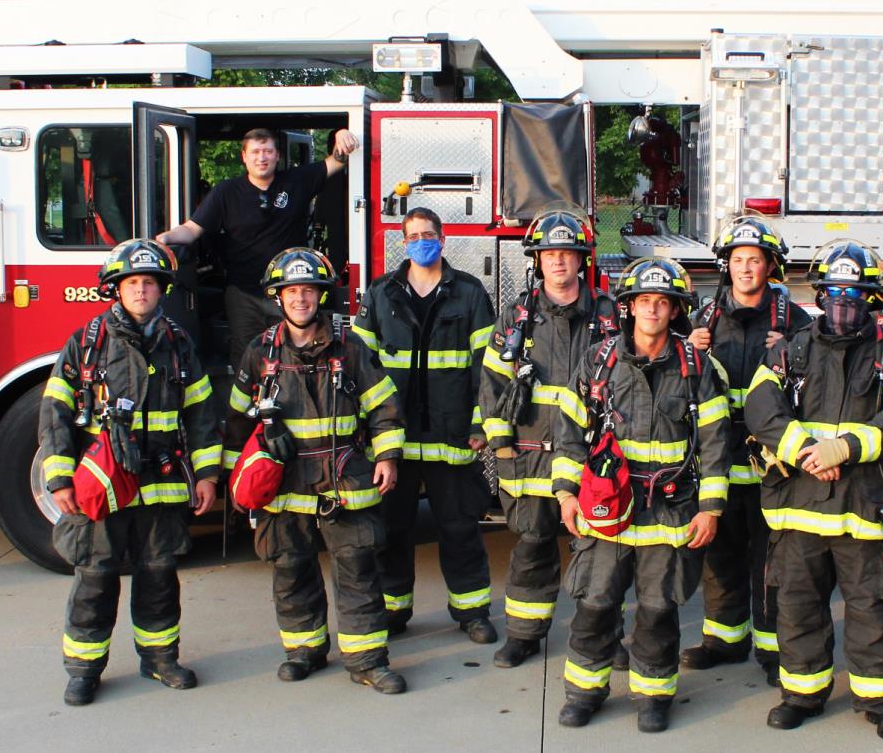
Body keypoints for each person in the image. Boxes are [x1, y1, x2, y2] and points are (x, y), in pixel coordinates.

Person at [744, 241, 883, 742]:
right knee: (798, 606)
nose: (845, 303)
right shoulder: (788, 351)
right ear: (819, 295)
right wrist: (808, 450)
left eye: (857, 294)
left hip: (866, 508)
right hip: (799, 509)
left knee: (873, 608)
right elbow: (762, 410)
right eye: (836, 293)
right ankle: (801, 694)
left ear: (873, 299)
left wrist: (842, 449)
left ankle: (881, 700)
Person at [35, 239, 223, 707]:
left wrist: (206, 476)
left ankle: (160, 659)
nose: (141, 290)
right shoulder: (86, 343)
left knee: (159, 576)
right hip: (103, 488)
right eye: (132, 283)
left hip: (160, 487)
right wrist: (59, 479)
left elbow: (201, 414)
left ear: (162, 290)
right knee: (95, 578)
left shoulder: (179, 344)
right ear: (116, 289)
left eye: (149, 283)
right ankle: (83, 670)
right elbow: (55, 412)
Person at [548, 257, 732, 733]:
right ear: (628, 308)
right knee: (594, 605)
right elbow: (568, 430)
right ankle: (584, 692)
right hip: (608, 512)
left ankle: (653, 696)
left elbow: (714, 442)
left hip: (669, 513)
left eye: (662, 302)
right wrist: (567, 493)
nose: (652, 310)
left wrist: (711, 507)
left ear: (675, 310)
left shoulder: (696, 368)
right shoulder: (598, 360)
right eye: (643, 301)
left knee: (657, 611)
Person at [224, 247, 410, 694]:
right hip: (284, 486)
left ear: (320, 296)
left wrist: (386, 456)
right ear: (279, 297)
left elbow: (383, 405)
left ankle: (367, 660)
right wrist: (239, 482)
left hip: (343, 479)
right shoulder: (260, 352)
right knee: (290, 569)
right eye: (292, 292)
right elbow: (236, 420)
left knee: (357, 570)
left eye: (308, 291)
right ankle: (304, 650)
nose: (300, 299)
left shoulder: (351, 348)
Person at [477, 207, 621, 669]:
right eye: (548, 254)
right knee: (533, 545)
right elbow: (492, 383)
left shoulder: (607, 315)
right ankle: (523, 634)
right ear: (537, 261)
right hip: (530, 456)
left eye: (567, 253)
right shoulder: (516, 319)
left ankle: (605, 639)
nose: (558, 262)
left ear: (582, 260)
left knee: (601, 553)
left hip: (592, 457)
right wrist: (500, 445)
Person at [354, 208, 499, 645]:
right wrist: (369, 430)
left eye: (428, 234)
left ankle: (472, 612)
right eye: (413, 235)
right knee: (392, 530)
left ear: (443, 239)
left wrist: (480, 424)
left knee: (460, 528)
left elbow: (485, 366)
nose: (421, 241)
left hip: (451, 435)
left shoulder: (469, 292)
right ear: (403, 242)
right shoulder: (380, 293)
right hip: (395, 437)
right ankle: (394, 611)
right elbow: (362, 367)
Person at [683, 216, 812, 684]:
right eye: (737, 260)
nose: (745, 269)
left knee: (771, 559)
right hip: (720, 460)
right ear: (726, 266)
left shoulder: (796, 322)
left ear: (770, 266)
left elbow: (816, 385)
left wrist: (797, 350)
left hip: (773, 465)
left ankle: (773, 648)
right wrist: (689, 348)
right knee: (721, 555)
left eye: (754, 260)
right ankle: (723, 640)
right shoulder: (703, 320)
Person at [157, 127, 358, 369]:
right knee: (246, 360)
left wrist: (342, 136)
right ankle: (245, 407)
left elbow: (337, 161)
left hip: (289, 293)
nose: (261, 157)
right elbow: (191, 230)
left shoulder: (298, 181)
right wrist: (165, 238)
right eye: (255, 152)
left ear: (277, 156)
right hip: (243, 295)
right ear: (244, 156)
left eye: (267, 151)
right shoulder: (225, 193)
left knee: (296, 355)